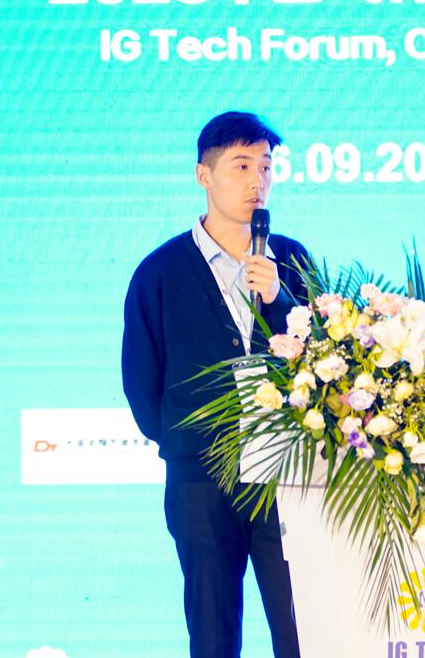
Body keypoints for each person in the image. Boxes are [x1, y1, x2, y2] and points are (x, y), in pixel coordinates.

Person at [121, 110, 310, 658]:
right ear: (204, 176)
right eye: (242, 166)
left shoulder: (291, 260)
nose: (258, 181)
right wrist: (188, 443)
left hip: (286, 475)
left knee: (301, 630)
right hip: (201, 480)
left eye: (267, 167)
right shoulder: (159, 272)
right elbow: (142, 381)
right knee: (211, 635)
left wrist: (277, 298)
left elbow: (323, 358)